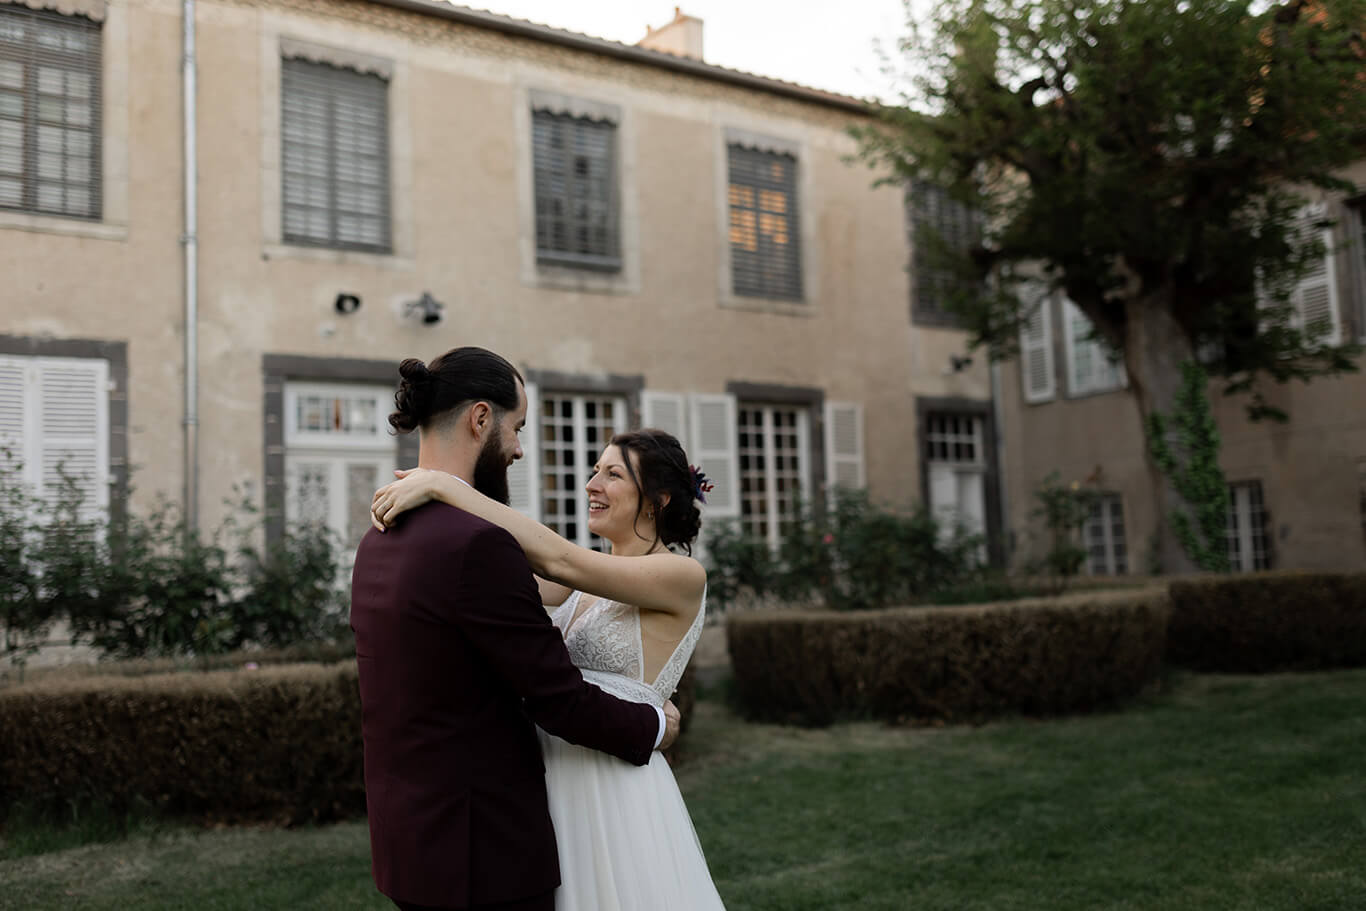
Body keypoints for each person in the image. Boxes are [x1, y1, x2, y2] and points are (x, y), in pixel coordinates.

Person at [350, 346, 680, 911]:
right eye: (517, 427)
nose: (521, 449)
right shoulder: (476, 544)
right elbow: (555, 698)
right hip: (482, 852)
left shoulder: (380, 536)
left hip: (411, 842)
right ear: (482, 418)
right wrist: (655, 725)